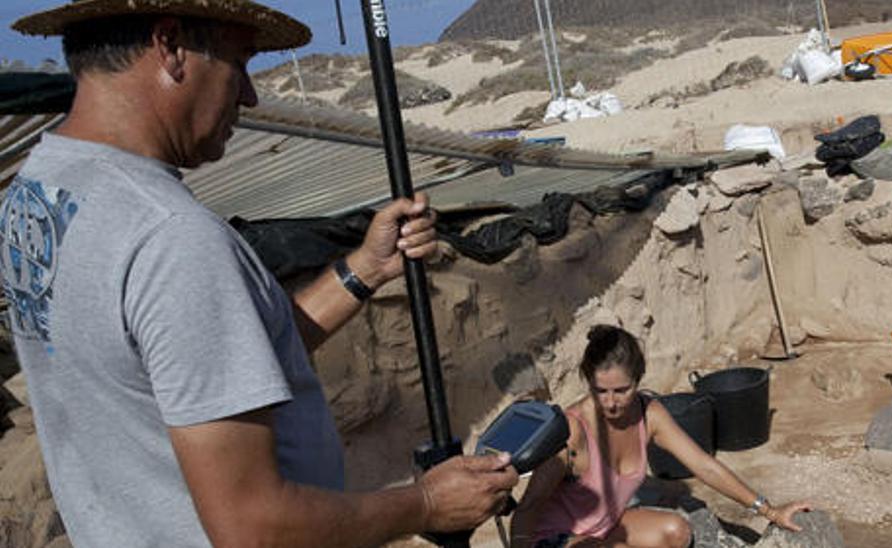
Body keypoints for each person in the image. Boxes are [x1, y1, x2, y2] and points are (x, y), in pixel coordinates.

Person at [2, 1, 516, 546]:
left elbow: (208, 374)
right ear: (171, 45)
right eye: (239, 61)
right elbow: (251, 527)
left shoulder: (39, 192)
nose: (248, 95)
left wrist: (364, 269)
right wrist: (428, 504)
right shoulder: (170, 236)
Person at [509, 325, 813, 548]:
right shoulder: (573, 432)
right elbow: (529, 506)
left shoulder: (648, 413)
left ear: (638, 381)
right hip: (554, 540)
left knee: (677, 532)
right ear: (589, 382)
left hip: (605, 529)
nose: (611, 402)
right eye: (601, 391)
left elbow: (704, 465)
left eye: (622, 390)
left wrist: (770, 511)